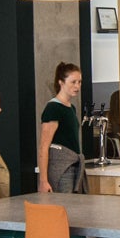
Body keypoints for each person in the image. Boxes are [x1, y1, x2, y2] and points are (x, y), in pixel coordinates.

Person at [38, 61, 87, 193]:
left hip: (73, 165)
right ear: (61, 82)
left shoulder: (71, 107)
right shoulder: (53, 108)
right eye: (73, 82)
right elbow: (44, 146)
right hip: (61, 167)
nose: (77, 86)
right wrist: (43, 180)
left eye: (79, 82)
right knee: (64, 207)